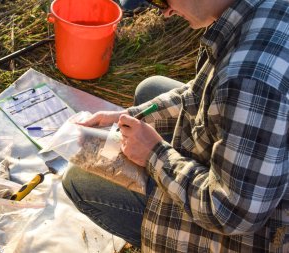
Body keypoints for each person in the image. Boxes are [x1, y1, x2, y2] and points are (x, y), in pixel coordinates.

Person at [62, 0, 289, 251]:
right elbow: (201, 93)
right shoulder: (265, 11)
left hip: (254, 234)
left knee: (79, 179)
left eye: (163, 0)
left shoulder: (248, 82)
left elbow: (231, 212)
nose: (166, 12)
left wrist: (153, 154)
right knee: (150, 89)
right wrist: (129, 116)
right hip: (257, 177)